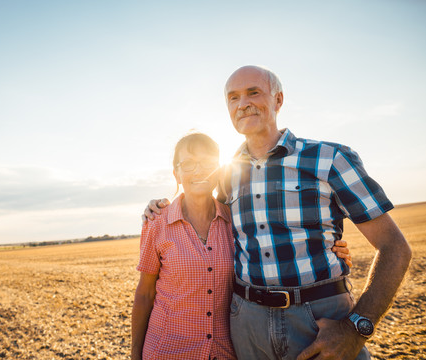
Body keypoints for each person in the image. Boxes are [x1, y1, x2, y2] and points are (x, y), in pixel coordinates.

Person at [144, 65, 412, 360]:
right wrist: (160, 205)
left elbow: (395, 247)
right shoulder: (228, 175)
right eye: (233, 97)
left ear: (278, 100)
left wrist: (355, 328)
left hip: (319, 320)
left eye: (253, 92)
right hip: (247, 325)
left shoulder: (328, 159)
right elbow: (204, 210)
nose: (243, 103)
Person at [131, 133, 237, 359]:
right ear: (176, 173)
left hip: (223, 352)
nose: (199, 171)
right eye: (188, 164)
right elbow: (145, 293)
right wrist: (134, 355)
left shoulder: (234, 221)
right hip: (167, 350)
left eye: (208, 162)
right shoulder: (157, 222)